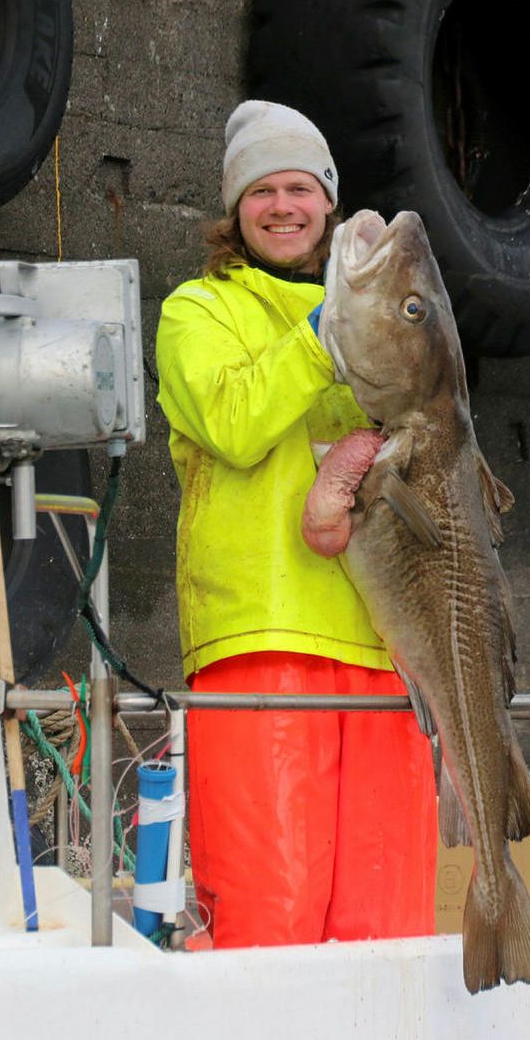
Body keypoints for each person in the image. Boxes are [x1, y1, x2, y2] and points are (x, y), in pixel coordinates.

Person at [155, 100, 438, 949]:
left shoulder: (379, 316)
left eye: (301, 189)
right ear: (234, 210)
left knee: (386, 930)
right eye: (262, 190)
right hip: (261, 643)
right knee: (265, 922)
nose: (283, 206)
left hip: (387, 644)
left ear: (329, 201)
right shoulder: (195, 311)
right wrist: (326, 335)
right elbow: (236, 424)